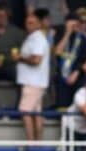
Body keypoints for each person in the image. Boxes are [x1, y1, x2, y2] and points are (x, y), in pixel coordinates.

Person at [17, 9, 51, 141]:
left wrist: (21, 58)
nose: (28, 25)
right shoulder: (33, 37)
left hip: (33, 82)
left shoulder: (38, 38)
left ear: (39, 24)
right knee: (36, 113)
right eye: (27, 22)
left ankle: (31, 143)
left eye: (32, 23)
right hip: (35, 81)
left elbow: (36, 60)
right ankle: (38, 145)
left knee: (25, 111)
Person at [0, 4, 25, 108]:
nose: (0, 19)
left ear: (8, 16)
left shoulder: (17, 32)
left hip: (11, 64)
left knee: (21, 74)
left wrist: (16, 58)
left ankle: (20, 107)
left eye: (2, 16)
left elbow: (24, 50)